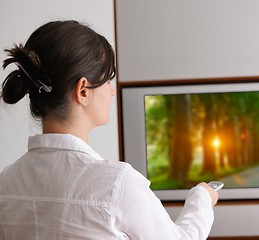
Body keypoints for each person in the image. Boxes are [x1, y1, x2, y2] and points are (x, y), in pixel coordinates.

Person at [0, 20, 219, 240]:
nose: (112, 91)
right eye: (107, 80)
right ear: (83, 91)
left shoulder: (6, 183)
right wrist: (201, 199)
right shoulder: (117, 184)